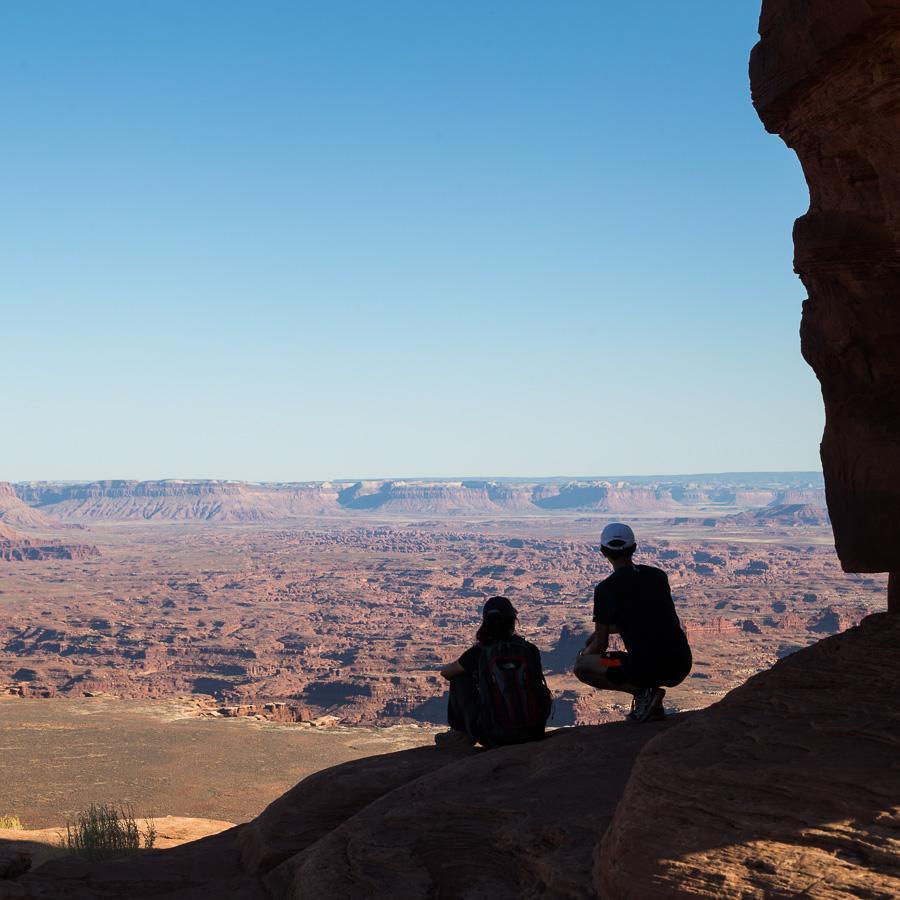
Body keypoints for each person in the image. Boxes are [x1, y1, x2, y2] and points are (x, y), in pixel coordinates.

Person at [573, 522, 692, 722]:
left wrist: (585, 654)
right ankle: (649, 697)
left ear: (603, 551)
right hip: (679, 663)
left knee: (583, 666)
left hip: (643, 666)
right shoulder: (657, 576)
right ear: (634, 548)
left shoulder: (606, 590)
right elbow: (643, 617)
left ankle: (643, 694)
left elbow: (600, 645)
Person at [436, 595, 551, 748]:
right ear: (512, 621)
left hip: (495, 737)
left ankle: (460, 733)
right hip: (533, 733)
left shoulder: (479, 652)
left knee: (459, 678)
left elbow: (446, 673)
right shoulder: (530, 650)